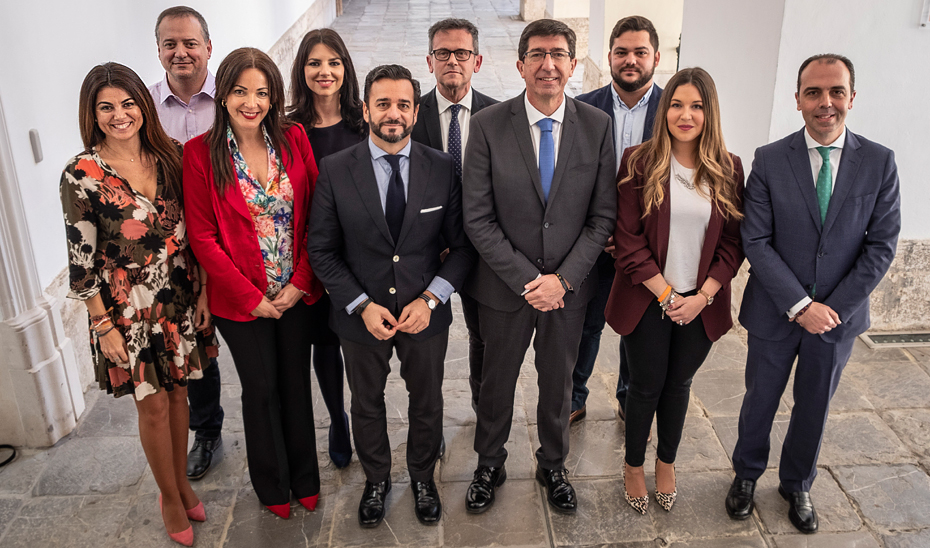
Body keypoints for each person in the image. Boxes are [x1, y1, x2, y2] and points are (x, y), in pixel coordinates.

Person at [726, 54, 900, 534]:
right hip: (775, 311)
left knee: (815, 403)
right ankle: (745, 475)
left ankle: (797, 483)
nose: (826, 103)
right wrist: (800, 305)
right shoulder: (769, 158)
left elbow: (881, 247)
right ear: (798, 99)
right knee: (760, 397)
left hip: (837, 320)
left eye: (836, 92)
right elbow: (755, 241)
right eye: (814, 93)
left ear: (851, 97)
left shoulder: (880, 162)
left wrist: (830, 310)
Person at [308, 64, 475, 528]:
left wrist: (432, 299)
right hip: (362, 317)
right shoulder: (336, 170)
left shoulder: (441, 168)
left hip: (426, 315)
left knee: (427, 400)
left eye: (404, 104)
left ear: (415, 110)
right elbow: (320, 250)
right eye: (383, 103)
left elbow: (461, 248)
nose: (393, 113)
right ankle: (376, 478)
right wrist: (360, 305)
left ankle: (423, 476)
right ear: (365, 109)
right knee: (366, 402)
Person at [462, 19, 615, 515]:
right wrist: (532, 281)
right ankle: (490, 463)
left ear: (572, 64)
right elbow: (477, 217)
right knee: (495, 381)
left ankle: (554, 464)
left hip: (568, 291)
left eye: (558, 54)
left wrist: (563, 280)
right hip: (505, 290)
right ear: (520, 63)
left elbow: (602, 216)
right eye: (537, 54)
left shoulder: (597, 126)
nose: (547, 64)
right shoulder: (487, 126)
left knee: (559, 384)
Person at [60, 62, 217, 546]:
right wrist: (103, 325)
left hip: (179, 293)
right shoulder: (81, 175)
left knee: (180, 395)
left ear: (142, 106)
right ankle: (169, 497)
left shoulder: (169, 154)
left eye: (127, 104)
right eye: (106, 107)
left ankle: (183, 482)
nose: (119, 115)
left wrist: (205, 289)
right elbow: (81, 261)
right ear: (93, 113)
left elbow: (197, 228)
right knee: (151, 405)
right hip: (128, 308)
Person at [183, 47, 322, 520]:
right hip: (240, 302)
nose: (252, 102)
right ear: (222, 95)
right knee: (261, 391)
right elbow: (201, 236)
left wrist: (301, 282)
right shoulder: (199, 154)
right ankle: (273, 486)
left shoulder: (294, 137)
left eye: (262, 93)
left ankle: (305, 479)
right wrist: (250, 298)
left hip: (296, 292)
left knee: (296, 385)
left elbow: (318, 217)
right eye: (241, 91)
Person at [604, 67, 744, 514]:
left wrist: (701, 296)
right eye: (678, 104)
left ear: (710, 113)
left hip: (700, 303)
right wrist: (666, 295)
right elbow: (627, 239)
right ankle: (632, 466)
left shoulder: (728, 166)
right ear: (665, 110)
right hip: (649, 298)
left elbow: (732, 243)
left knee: (679, 384)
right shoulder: (638, 161)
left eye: (697, 106)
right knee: (644, 386)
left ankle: (667, 462)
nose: (686, 114)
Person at [572, 15, 663, 424]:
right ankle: (573, 396)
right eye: (622, 52)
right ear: (608, 56)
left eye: (640, 52)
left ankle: (630, 398)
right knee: (585, 325)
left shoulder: (673, 111)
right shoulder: (582, 108)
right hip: (593, 243)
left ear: (656, 57)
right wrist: (600, 231)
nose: (631, 60)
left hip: (647, 246)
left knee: (637, 327)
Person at [147, 5, 225, 482]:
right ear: (158, 51)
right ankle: (208, 430)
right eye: (170, 44)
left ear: (208, 48)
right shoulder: (145, 109)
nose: (180, 52)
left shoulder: (233, 100)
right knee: (196, 345)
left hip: (232, 242)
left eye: (190, 43)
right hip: (175, 251)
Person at [287, 27, 367, 469]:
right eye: (315, 63)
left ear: (345, 68)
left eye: (333, 62)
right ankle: (337, 418)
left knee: (354, 343)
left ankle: (360, 414)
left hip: (354, 256)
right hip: (308, 255)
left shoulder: (363, 121)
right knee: (323, 343)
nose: (325, 71)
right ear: (302, 70)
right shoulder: (287, 127)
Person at [411, 18, 498, 412]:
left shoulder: (499, 117)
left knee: (483, 338)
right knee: (427, 345)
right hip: (430, 255)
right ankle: (430, 422)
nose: (452, 61)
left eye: (461, 53)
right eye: (442, 53)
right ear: (429, 61)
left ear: (476, 61)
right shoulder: (409, 116)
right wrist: (441, 245)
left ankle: (483, 409)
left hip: (484, 254)